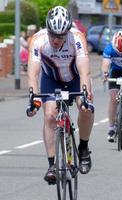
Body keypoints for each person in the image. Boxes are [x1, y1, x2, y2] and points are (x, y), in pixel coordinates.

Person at [26, 6, 94, 184]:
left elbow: (84, 71)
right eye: (52, 35)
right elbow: (33, 73)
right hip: (52, 80)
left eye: (61, 36)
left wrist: (86, 96)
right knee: (49, 116)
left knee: (86, 108)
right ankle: (52, 165)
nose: (56, 40)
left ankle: (84, 148)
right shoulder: (38, 40)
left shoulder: (77, 37)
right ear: (47, 30)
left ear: (67, 31)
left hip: (75, 79)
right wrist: (34, 98)